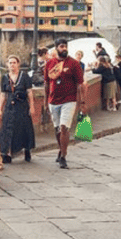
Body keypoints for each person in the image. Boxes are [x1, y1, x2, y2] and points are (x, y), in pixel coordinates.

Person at [44, 38, 87, 169]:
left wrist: (82, 102)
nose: (64, 49)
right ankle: (61, 149)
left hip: (69, 99)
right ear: (56, 48)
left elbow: (81, 83)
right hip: (53, 100)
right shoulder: (50, 63)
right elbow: (46, 83)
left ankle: (63, 156)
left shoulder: (73, 64)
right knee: (57, 128)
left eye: (65, 46)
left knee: (64, 127)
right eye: (62, 46)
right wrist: (46, 101)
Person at [0, 55, 37, 163]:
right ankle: (8, 153)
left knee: (23, 128)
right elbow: (3, 94)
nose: (12, 65)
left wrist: (32, 106)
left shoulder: (24, 77)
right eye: (10, 63)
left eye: (14, 62)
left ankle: (27, 150)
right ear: (7, 65)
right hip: (10, 106)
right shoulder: (5, 78)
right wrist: (0, 108)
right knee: (7, 129)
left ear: (18, 64)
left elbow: (29, 92)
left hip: (22, 105)